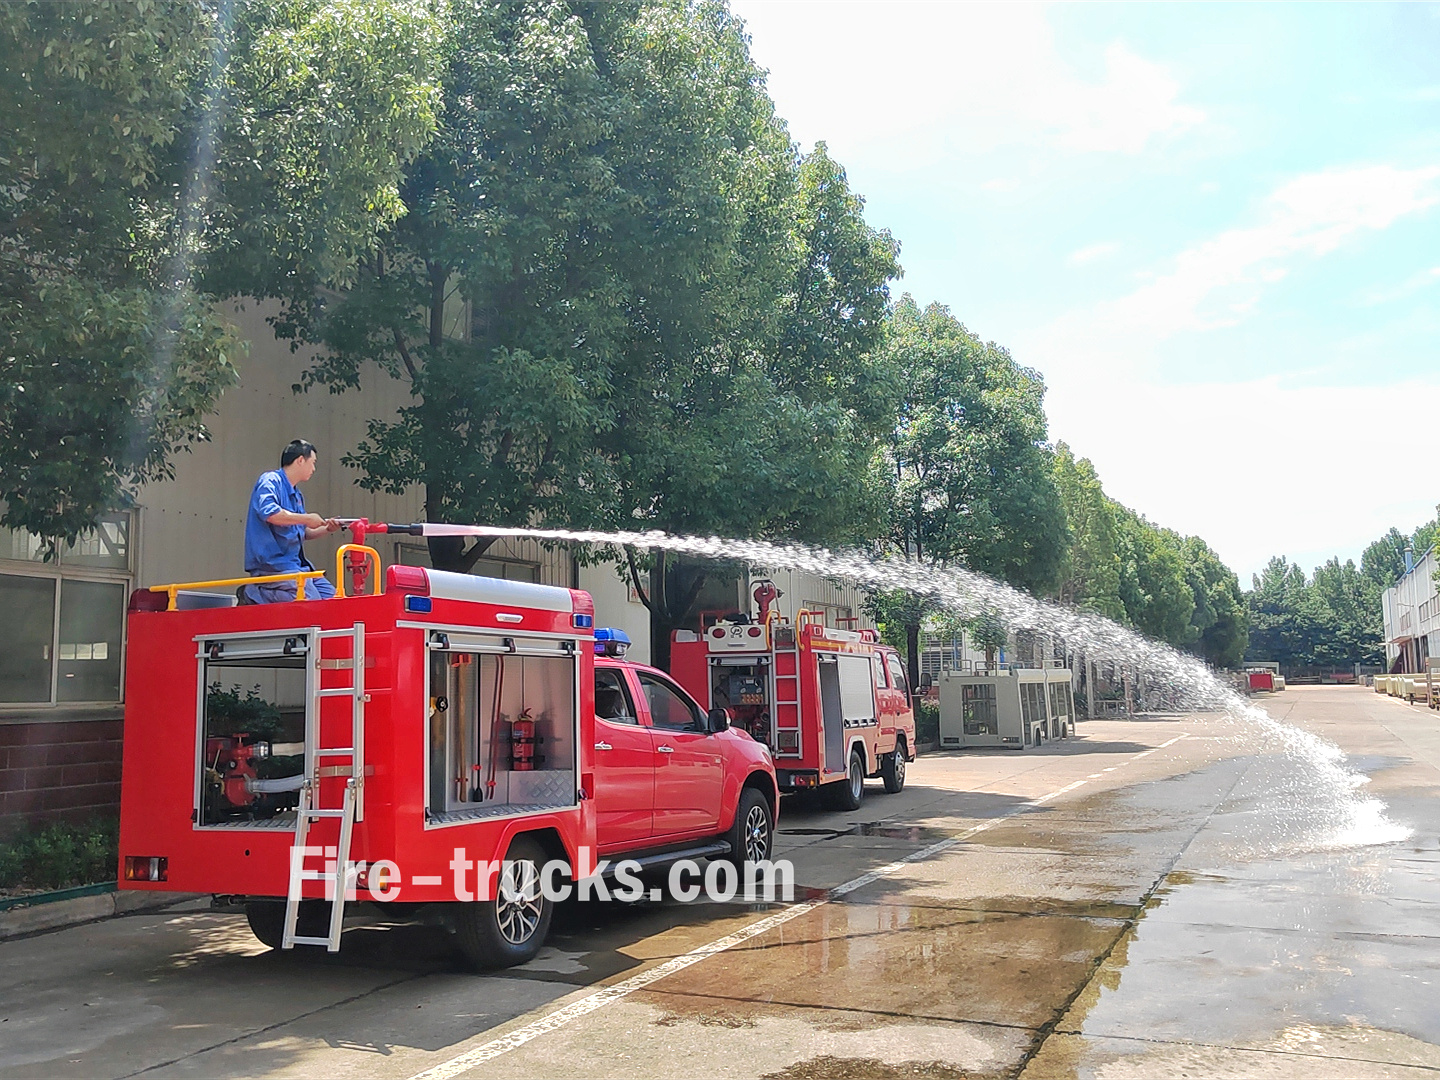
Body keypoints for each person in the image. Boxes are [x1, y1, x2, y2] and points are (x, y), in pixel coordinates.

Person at [243, 439, 342, 603]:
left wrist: (328, 528)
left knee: (334, 600)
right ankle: (255, 593)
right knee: (310, 600)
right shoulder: (270, 480)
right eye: (313, 462)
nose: (314, 469)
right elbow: (270, 513)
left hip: (295, 566)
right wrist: (307, 518)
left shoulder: (297, 495)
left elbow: (303, 532)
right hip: (271, 566)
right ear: (301, 460)